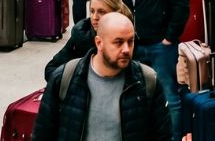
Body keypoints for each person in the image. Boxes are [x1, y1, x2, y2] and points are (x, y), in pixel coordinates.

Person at [30, 12, 171, 141]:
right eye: (118, 42)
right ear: (99, 43)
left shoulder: (147, 81)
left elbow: (162, 135)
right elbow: (43, 134)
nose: (126, 49)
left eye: (130, 41)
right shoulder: (66, 78)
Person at [107, 0, 188, 138]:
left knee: (169, 97)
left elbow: (180, 4)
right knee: (133, 97)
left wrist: (170, 37)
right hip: (132, 44)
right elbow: (117, 3)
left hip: (160, 43)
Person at [44, 0, 134, 82]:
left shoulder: (129, 39)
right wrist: (76, 85)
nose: (95, 17)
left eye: (101, 12)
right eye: (92, 11)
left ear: (116, 13)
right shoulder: (81, 35)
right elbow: (51, 69)